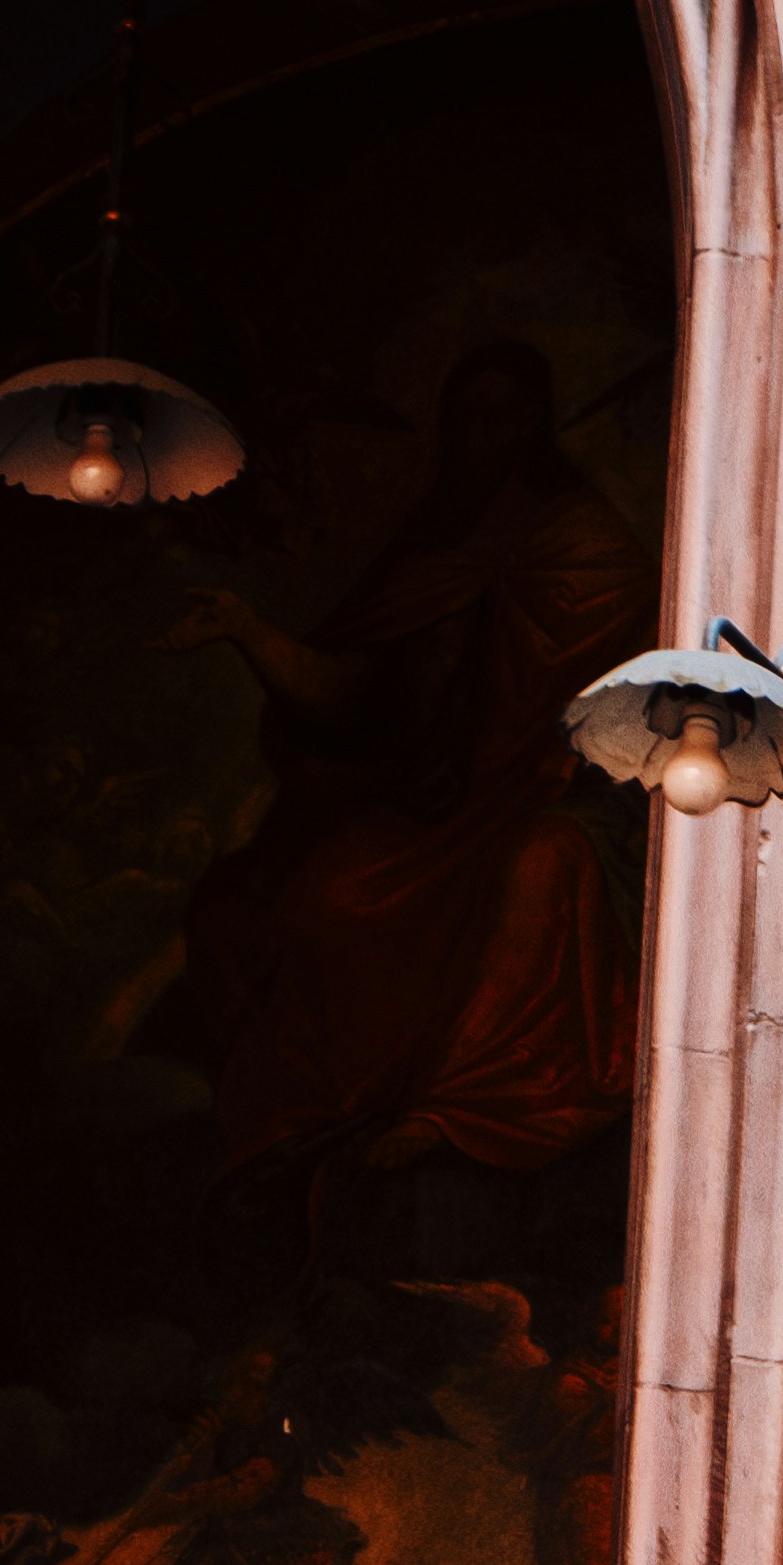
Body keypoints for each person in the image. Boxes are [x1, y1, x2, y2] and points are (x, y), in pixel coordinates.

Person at [159, 343, 647, 1181]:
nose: (478, 435)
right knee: (321, 900)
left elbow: (625, 680)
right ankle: (305, 1137)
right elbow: (350, 692)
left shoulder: (584, 542)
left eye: (499, 413)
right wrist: (245, 625)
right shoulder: (433, 547)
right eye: (464, 416)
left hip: (536, 794)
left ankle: (450, 1110)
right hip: (435, 806)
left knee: (532, 875)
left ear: (535, 422)